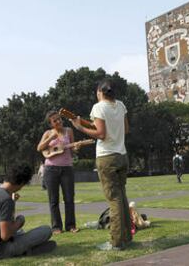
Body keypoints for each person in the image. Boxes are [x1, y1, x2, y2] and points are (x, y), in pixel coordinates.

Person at [71, 79, 132, 251]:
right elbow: (125, 129)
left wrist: (80, 128)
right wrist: (86, 123)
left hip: (107, 157)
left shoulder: (98, 107)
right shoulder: (121, 105)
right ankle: (127, 237)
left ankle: (116, 242)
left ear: (100, 92)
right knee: (122, 197)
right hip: (122, 155)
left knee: (114, 199)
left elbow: (101, 133)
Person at [0, 164, 55, 261]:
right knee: (46, 230)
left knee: (19, 232)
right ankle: (27, 251)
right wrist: (20, 221)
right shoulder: (6, 199)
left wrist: (12, 201)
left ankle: (26, 248)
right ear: (22, 183)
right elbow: (5, 235)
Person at [37, 110, 80, 235]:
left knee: (69, 198)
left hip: (67, 168)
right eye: (55, 120)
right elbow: (39, 148)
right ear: (51, 123)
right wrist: (51, 137)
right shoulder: (48, 133)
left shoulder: (69, 131)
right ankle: (56, 227)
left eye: (59, 119)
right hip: (50, 169)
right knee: (53, 200)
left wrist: (76, 148)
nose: (58, 121)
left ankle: (71, 225)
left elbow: (72, 151)